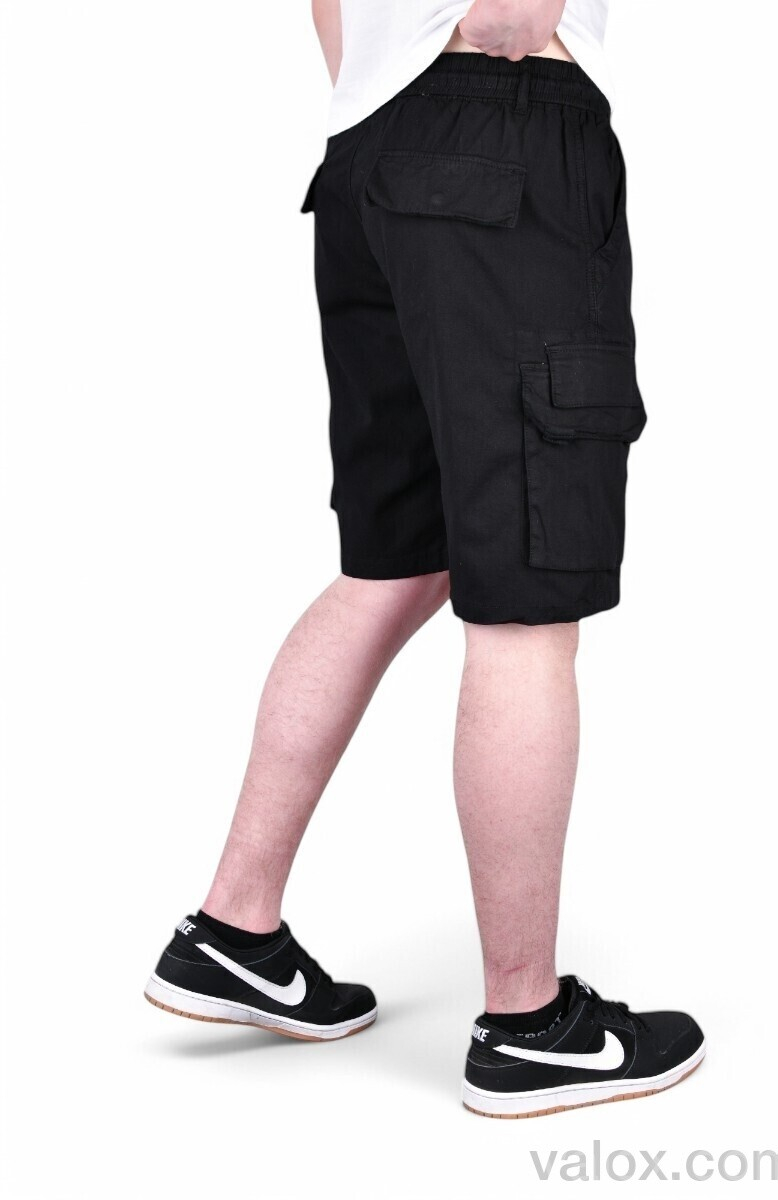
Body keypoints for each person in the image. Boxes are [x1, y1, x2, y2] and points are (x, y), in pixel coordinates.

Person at [144, 0, 705, 1119]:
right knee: (527, 597)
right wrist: (501, 30)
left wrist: (391, 85)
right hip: (500, 138)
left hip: (372, 145)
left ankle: (234, 929)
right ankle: (529, 1025)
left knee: (397, 561)